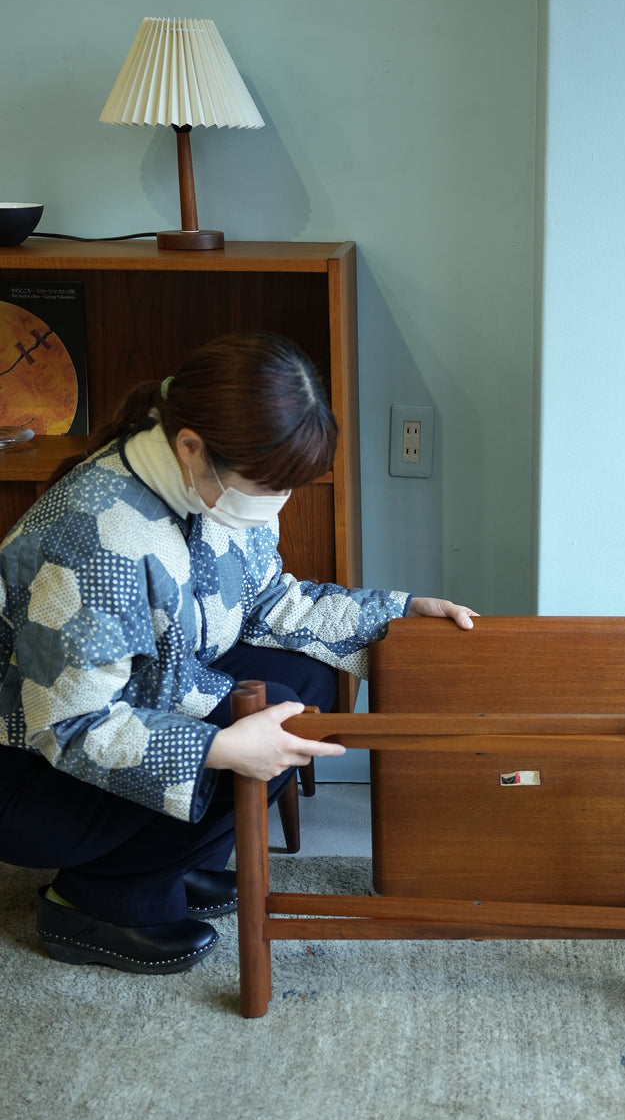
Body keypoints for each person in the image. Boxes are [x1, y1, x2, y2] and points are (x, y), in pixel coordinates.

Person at [0, 331, 477, 975]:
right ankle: (96, 901)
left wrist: (398, 611)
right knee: (270, 719)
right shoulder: (100, 536)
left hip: (122, 711)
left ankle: (162, 861)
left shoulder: (213, 483)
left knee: (307, 677)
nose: (277, 504)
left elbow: (272, 603)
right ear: (192, 445)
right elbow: (71, 725)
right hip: (31, 771)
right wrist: (220, 748)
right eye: (269, 486)